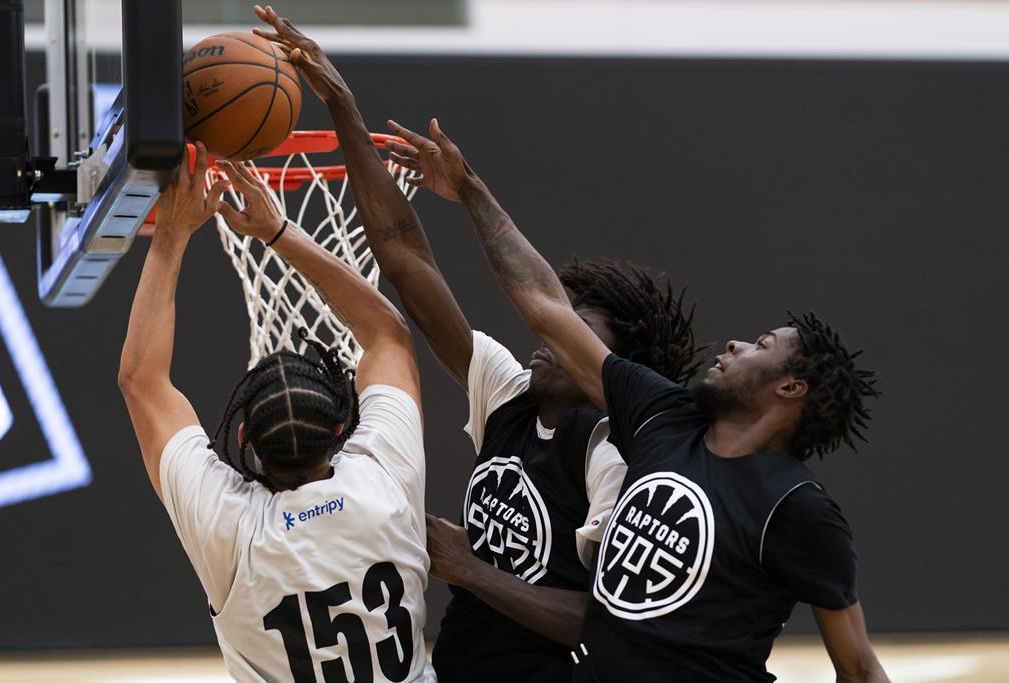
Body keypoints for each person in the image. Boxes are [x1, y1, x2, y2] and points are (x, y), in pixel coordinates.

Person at [248, 9, 698, 681]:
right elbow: (405, 260)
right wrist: (342, 104)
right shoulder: (508, 392)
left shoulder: (614, 451)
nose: (550, 330)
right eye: (560, 313)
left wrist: (468, 568)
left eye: (579, 322)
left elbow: (599, 618)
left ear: (616, 357)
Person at [386, 120, 891, 682]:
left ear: (791, 388)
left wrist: (473, 570)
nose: (737, 344)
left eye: (763, 345)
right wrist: (472, 191)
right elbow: (544, 307)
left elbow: (859, 667)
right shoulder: (663, 419)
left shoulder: (798, 508)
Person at [117, 47, 433, 683]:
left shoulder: (234, 532)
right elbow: (389, 338)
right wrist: (278, 231)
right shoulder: (382, 488)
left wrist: (173, 235)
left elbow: (142, 380)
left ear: (245, 447)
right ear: (344, 429)